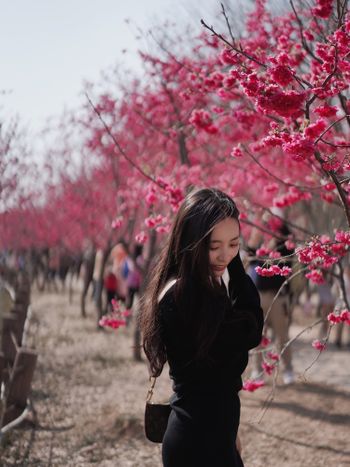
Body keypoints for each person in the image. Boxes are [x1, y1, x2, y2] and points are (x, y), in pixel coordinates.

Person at [140, 188, 263, 467]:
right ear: (191, 242)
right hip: (197, 441)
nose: (225, 255)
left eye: (233, 244)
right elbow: (250, 329)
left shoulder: (198, 284)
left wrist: (228, 435)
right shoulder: (184, 294)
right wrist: (238, 270)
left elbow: (213, 376)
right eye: (214, 246)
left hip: (210, 433)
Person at [247, 213, 295, 385]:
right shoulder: (258, 239)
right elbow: (248, 254)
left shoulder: (284, 242)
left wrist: (276, 240)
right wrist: (257, 238)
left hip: (277, 295)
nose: (268, 227)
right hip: (257, 296)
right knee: (257, 335)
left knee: (282, 334)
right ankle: (257, 369)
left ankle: (288, 368)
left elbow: (290, 253)